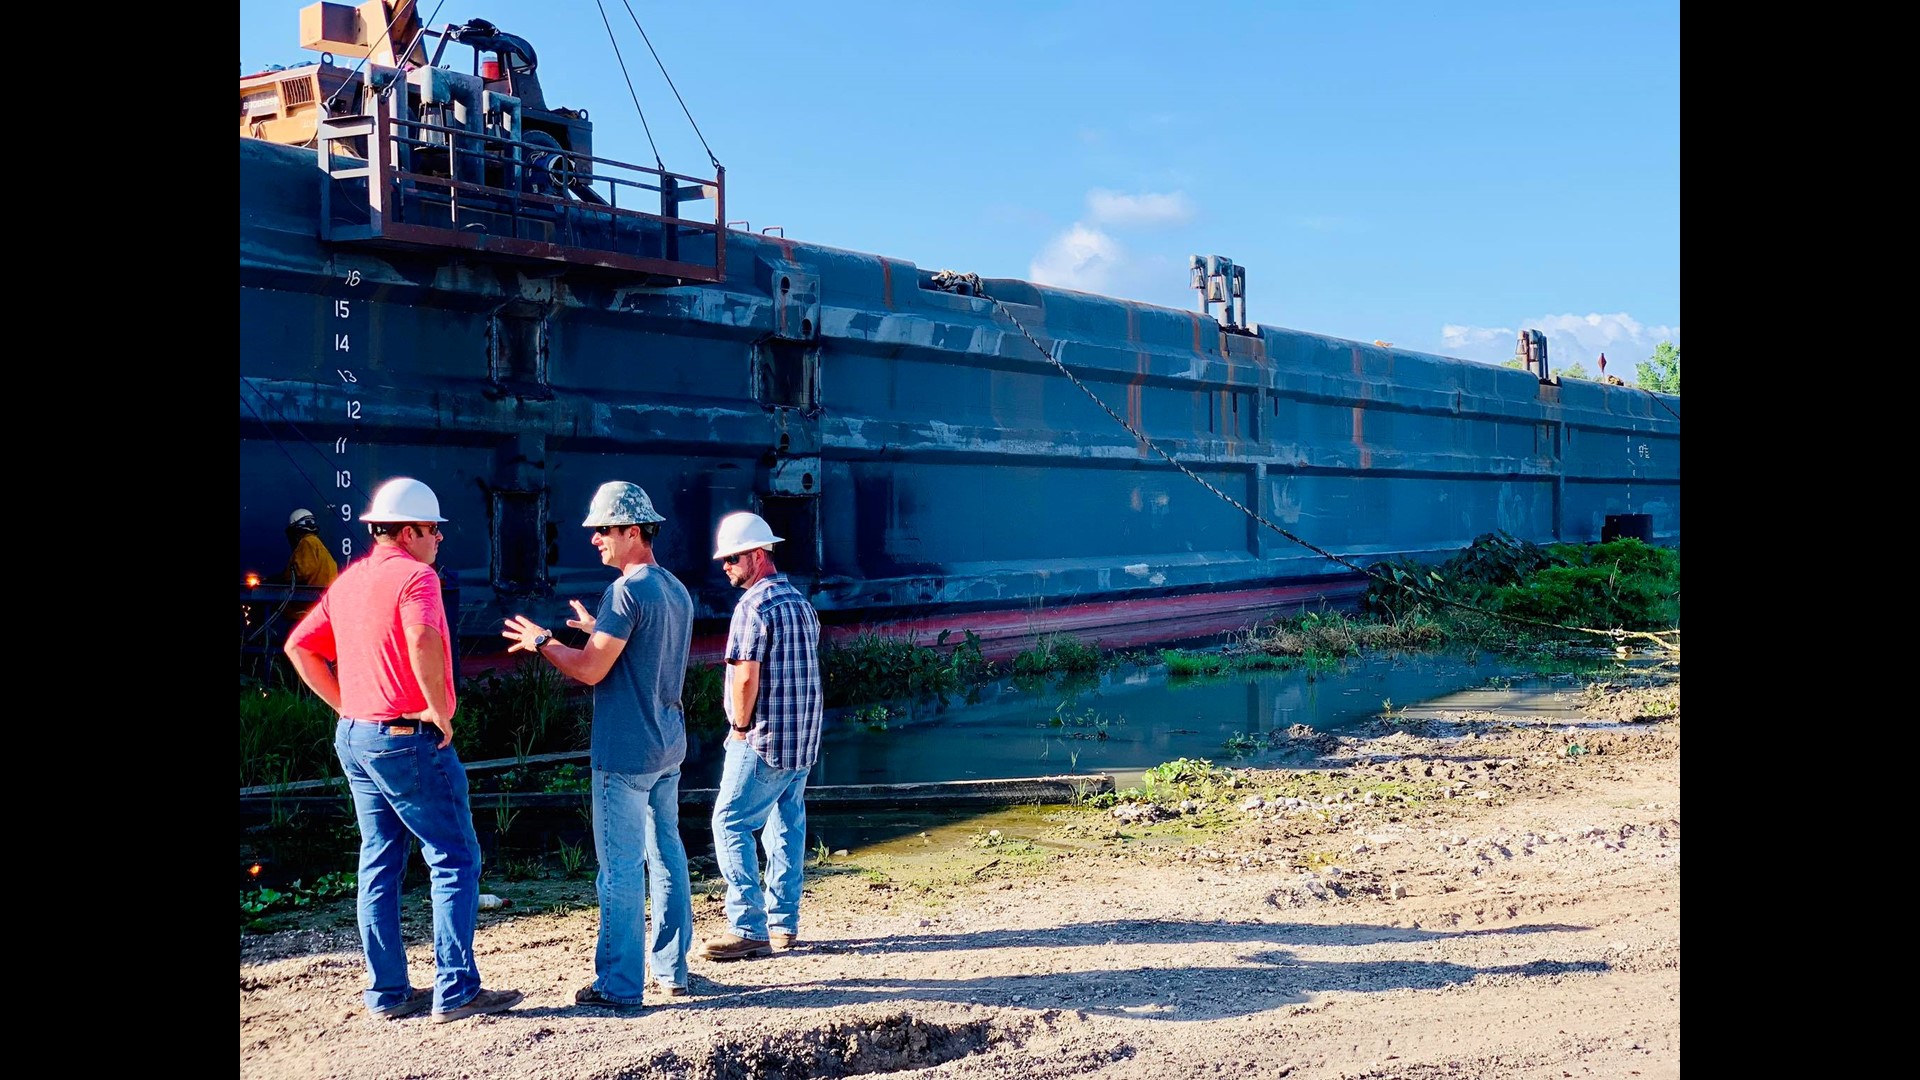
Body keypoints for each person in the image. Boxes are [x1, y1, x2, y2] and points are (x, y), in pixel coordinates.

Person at [283, 477, 523, 1024]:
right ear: (410, 531)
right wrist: (438, 707)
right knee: (455, 857)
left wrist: (346, 704)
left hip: (357, 735)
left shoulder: (350, 580)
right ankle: (457, 990)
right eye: (434, 530)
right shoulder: (418, 576)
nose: (439, 539)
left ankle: (388, 993)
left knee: (379, 861)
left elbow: (299, 646)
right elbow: (421, 638)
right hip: (405, 737)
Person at [501, 481, 696, 1008]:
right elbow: (640, 651)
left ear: (634, 532)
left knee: (620, 869)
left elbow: (590, 669)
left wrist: (544, 642)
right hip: (667, 746)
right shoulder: (674, 589)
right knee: (668, 854)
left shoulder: (627, 592)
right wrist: (597, 628)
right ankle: (673, 972)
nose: (595, 539)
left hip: (625, 753)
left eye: (604, 530)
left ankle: (618, 985)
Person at [699, 511, 823, 961]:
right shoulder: (800, 602)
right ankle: (783, 925)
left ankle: (746, 926)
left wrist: (738, 726)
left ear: (757, 555)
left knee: (729, 821)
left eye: (732, 559)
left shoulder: (752, 607)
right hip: (803, 740)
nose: (726, 567)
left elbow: (746, 677)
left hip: (763, 738)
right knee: (786, 826)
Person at [280, 508, 340, 588]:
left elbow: (302, 571)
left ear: (295, 529)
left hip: (314, 595)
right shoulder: (317, 544)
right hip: (325, 592)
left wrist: (281, 578)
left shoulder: (307, 542)